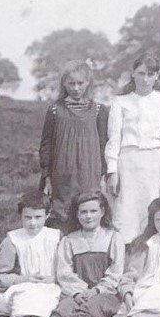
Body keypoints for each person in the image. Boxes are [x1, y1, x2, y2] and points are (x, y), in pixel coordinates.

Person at [33, 190, 124, 317]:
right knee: (63, 309)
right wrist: (78, 291)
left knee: (91, 308)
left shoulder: (113, 237)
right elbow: (64, 271)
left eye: (93, 211)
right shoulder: (69, 240)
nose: (88, 216)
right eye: (83, 212)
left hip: (104, 293)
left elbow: (116, 271)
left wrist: (97, 290)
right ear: (77, 214)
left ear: (102, 212)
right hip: (76, 291)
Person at [105, 53, 160, 244]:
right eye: (141, 73)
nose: (145, 79)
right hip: (128, 162)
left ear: (157, 76)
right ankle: (124, 259)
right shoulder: (120, 101)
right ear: (132, 74)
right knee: (127, 211)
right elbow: (114, 139)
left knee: (153, 206)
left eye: (150, 74)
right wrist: (112, 171)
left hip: (155, 163)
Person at [38, 61, 109, 228]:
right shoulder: (55, 110)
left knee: (88, 212)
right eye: (71, 83)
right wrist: (47, 177)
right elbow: (46, 145)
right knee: (61, 216)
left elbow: (103, 144)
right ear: (64, 83)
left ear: (88, 83)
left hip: (89, 172)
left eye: (80, 83)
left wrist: (104, 174)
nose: (76, 88)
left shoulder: (99, 110)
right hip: (62, 174)